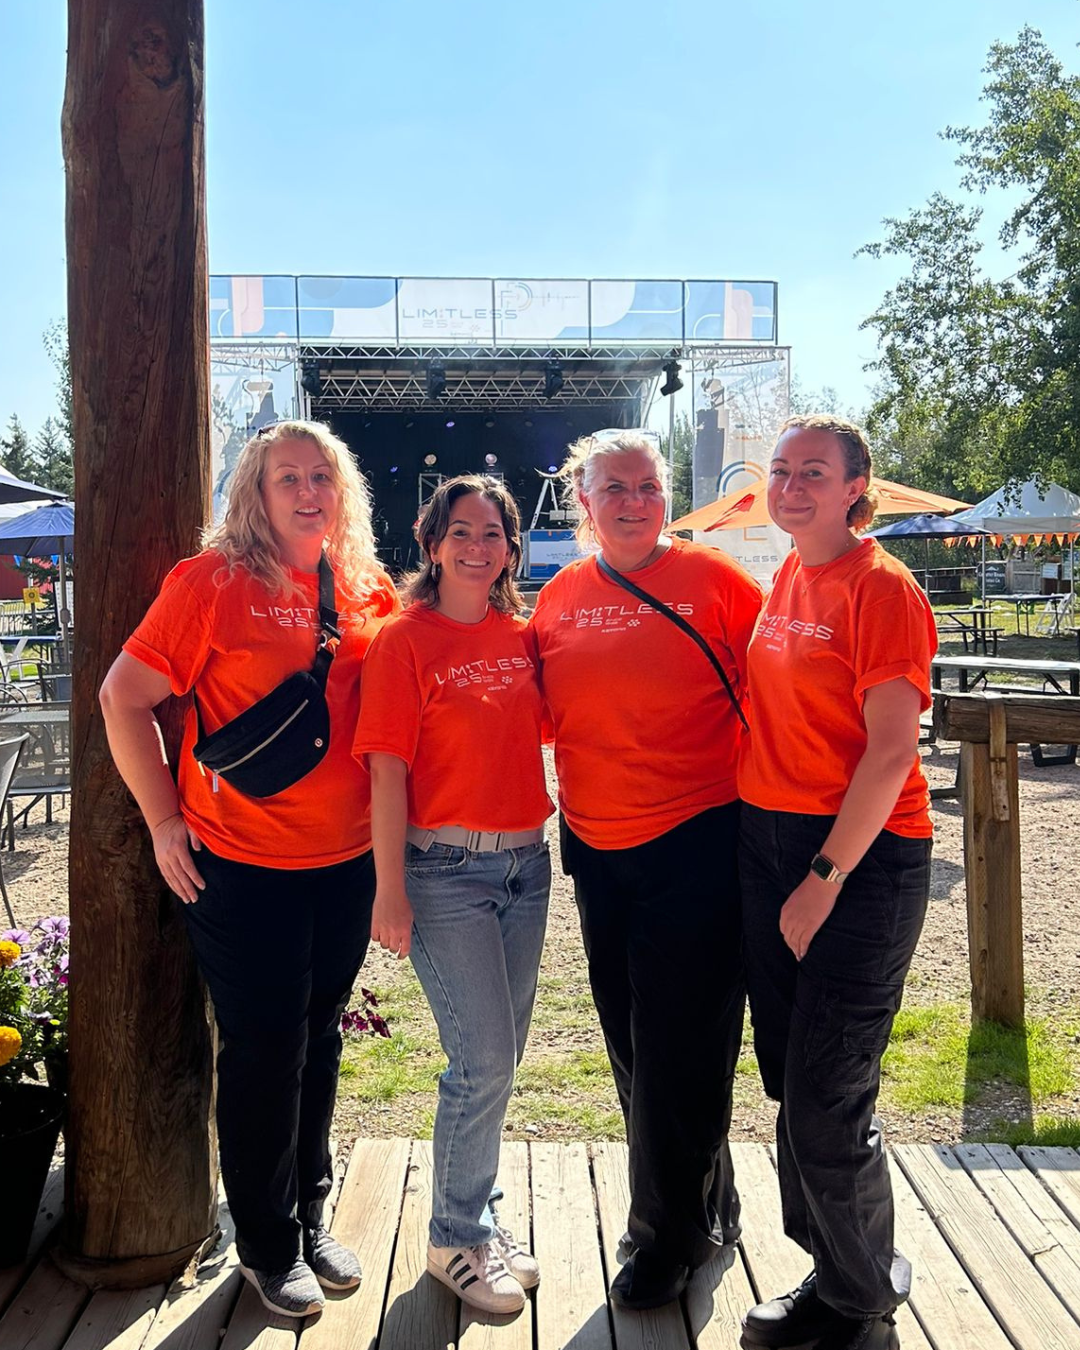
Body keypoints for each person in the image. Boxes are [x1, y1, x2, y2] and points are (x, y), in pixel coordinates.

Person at [99, 420, 400, 1319]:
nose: (308, 492)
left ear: (342, 491)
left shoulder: (362, 583)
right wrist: (161, 821)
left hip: (343, 863)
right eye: (287, 479)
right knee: (266, 1050)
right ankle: (267, 1245)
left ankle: (307, 1216)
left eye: (322, 476)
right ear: (254, 495)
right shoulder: (211, 583)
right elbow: (124, 697)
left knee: (319, 1037)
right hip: (240, 864)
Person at [529, 430, 763, 1310]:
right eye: (614, 489)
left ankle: (662, 1242)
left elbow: (783, 689)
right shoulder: (557, 597)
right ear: (582, 505)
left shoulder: (719, 584)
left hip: (699, 840)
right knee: (635, 1042)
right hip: (596, 851)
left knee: (681, 1047)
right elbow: (545, 717)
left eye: (649, 486)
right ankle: (711, 1201)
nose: (633, 501)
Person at [738, 415, 936, 1350]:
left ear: (858, 486)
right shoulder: (787, 575)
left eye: (812, 472)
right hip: (772, 846)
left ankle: (860, 1310)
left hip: (857, 859)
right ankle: (837, 1265)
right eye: (780, 470)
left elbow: (894, 749)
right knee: (796, 1080)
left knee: (827, 1091)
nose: (790, 486)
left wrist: (824, 876)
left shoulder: (880, 587)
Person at [355, 475, 552, 1316]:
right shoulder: (403, 641)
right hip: (444, 875)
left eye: (494, 533)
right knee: (480, 1064)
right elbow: (387, 770)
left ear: (511, 547)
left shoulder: (520, 636)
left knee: (499, 1060)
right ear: (432, 543)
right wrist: (388, 889)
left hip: (526, 869)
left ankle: (478, 1216)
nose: (479, 547)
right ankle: (453, 1238)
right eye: (462, 532)